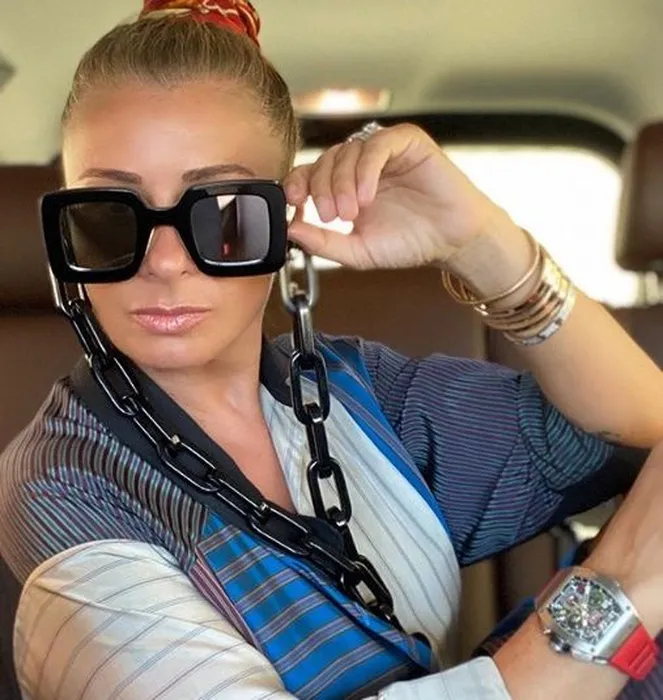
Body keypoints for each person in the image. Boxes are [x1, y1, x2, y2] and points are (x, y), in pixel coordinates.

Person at [2, 1, 663, 698]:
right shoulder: (63, 487)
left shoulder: (359, 393)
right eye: (108, 217)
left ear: (283, 225)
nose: (165, 262)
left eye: (224, 213)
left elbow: (638, 433)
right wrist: (618, 592)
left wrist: (482, 243)